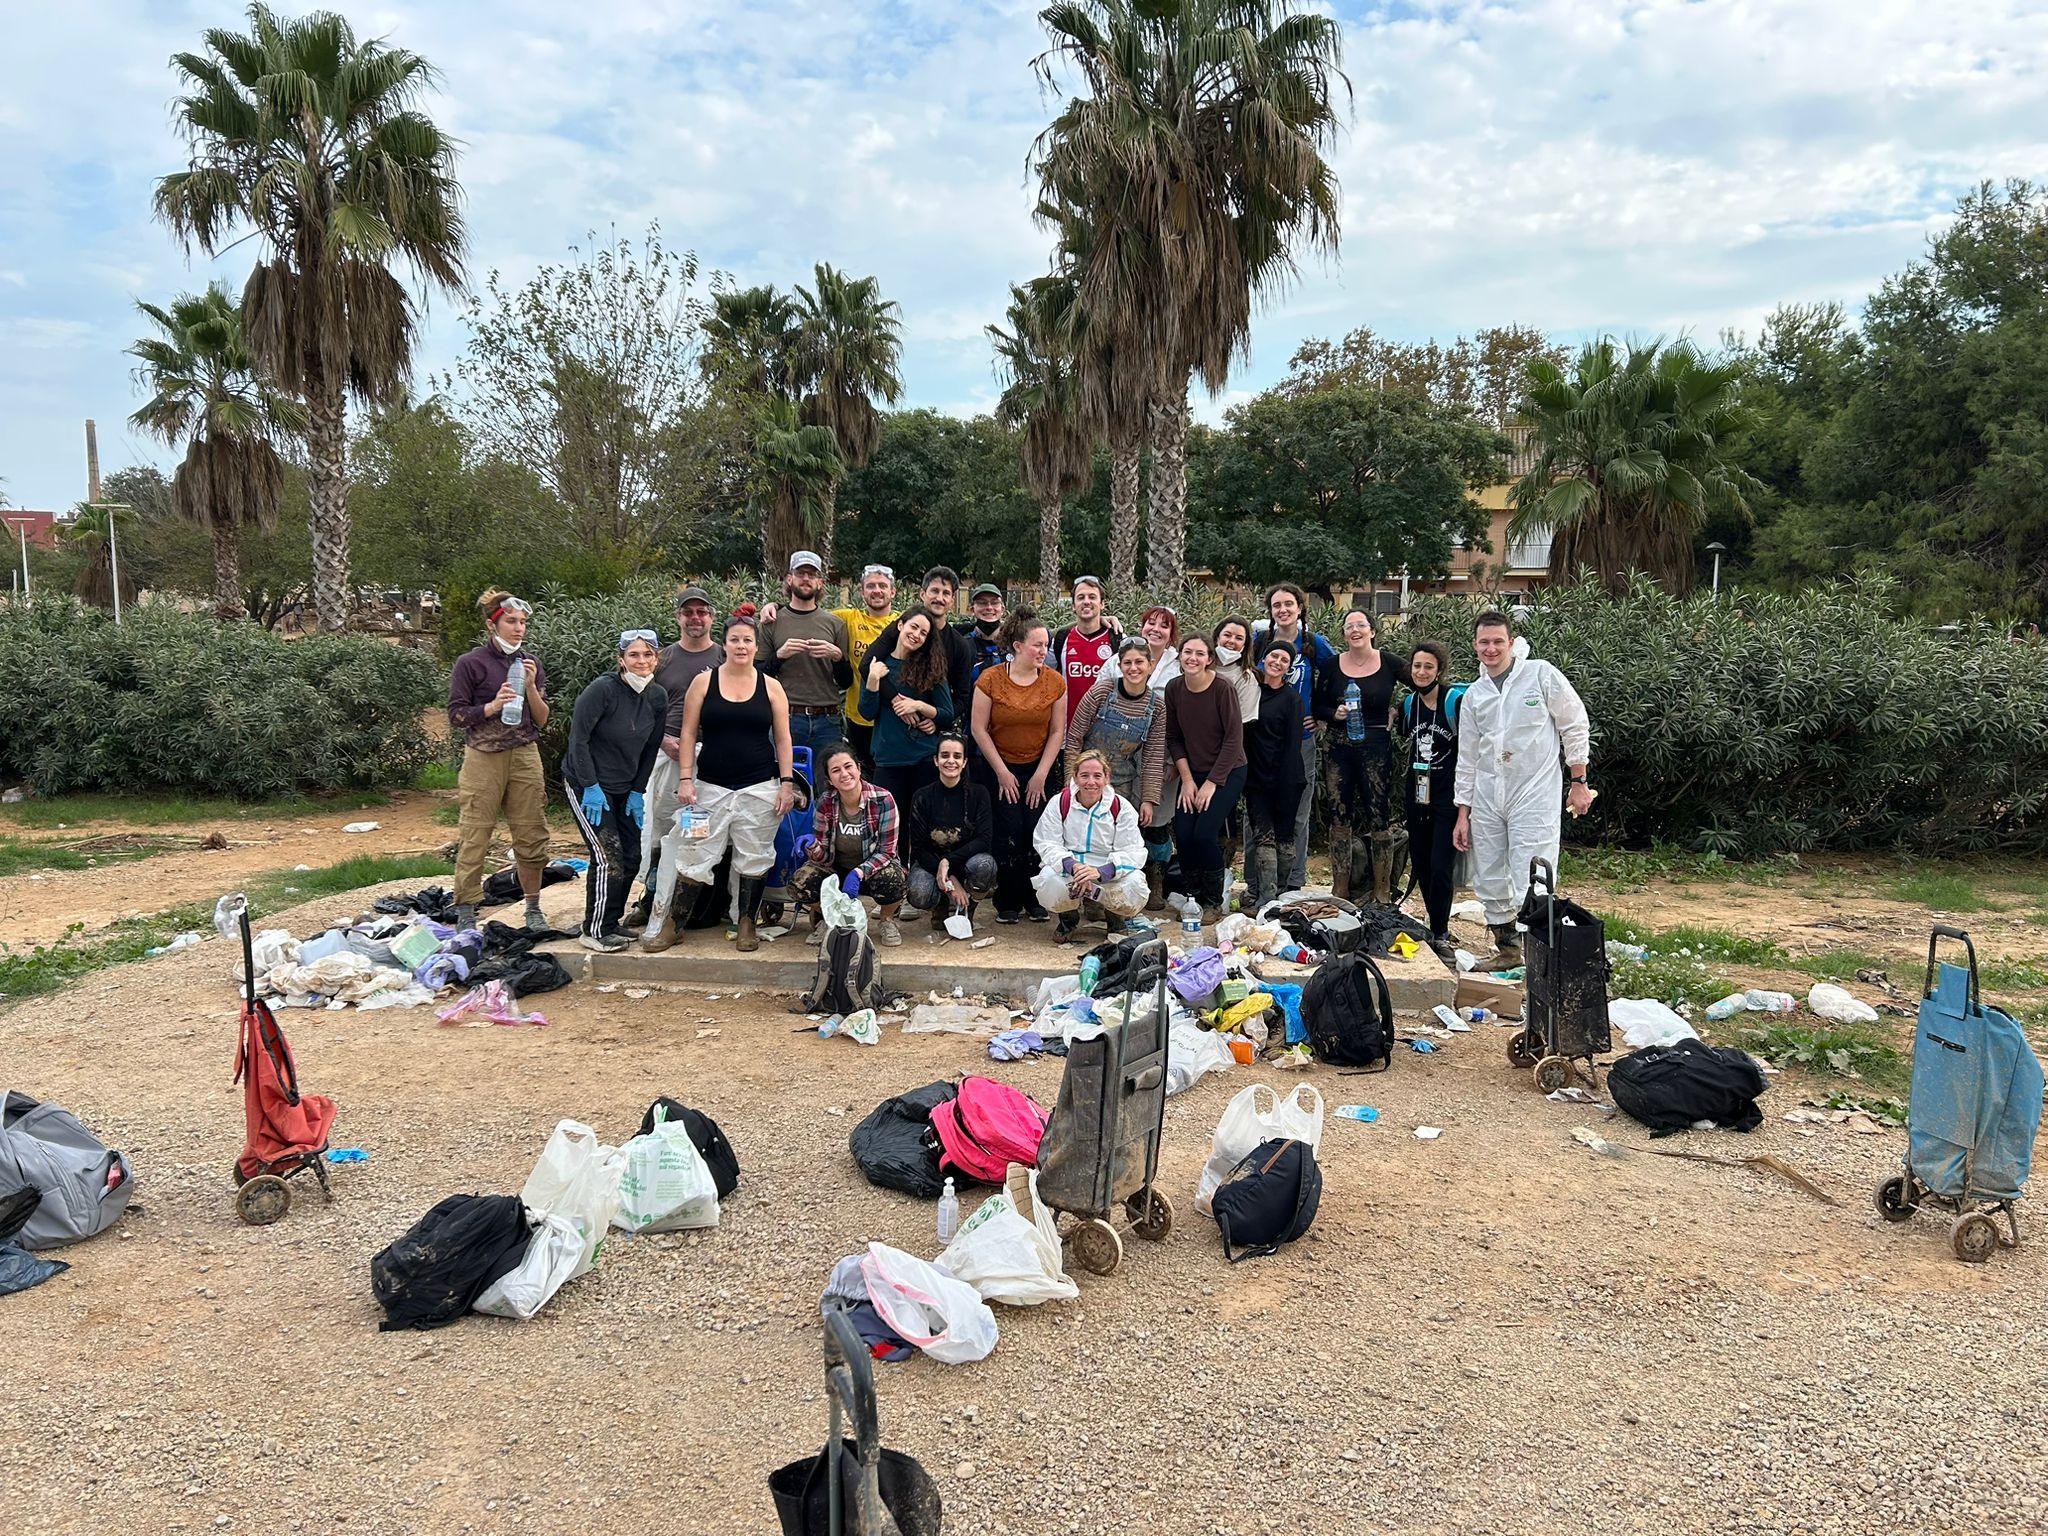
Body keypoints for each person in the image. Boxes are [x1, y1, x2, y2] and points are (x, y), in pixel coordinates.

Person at [646, 616, 796, 955]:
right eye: (734, 640)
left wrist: (786, 784)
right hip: (706, 787)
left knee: (755, 856)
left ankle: (746, 923)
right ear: (724, 644)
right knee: (693, 852)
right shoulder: (703, 682)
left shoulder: (771, 687)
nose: (741, 646)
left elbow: (784, 739)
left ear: (756, 646)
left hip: (759, 786)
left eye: (747, 640)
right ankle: (674, 924)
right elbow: (687, 733)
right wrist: (686, 778)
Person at [1453, 610, 1594, 966]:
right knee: (1489, 870)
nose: (1491, 649)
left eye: (1498, 641)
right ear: (1475, 645)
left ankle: (1540, 955)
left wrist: (1579, 782)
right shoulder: (1474, 695)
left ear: (1511, 643)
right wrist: (1463, 812)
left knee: (1534, 869)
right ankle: (1508, 950)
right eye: (1484, 642)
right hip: (1487, 794)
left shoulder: (1540, 675)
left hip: (1534, 791)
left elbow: (1574, 725)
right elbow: (1467, 756)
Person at [446, 589, 552, 932]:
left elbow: (542, 718)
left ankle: (533, 908)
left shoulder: (530, 661)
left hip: (524, 752)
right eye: (511, 621)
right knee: (476, 832)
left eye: (522, 622)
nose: (518, 628)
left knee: (531, 831)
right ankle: (466, 908)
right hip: (483, 756)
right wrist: (490, 707)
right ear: (494, 624)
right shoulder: (471, 662)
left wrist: (532, 687)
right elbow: (456, 715)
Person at [562, 631, 668, 951]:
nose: (641, 661)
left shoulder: (657, 697)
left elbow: (651, 748)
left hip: (626, 787)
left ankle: (610, 922)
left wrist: (638, 791)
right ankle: (594, 930)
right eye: (634, 655)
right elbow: (578, 739)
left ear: (657, 659)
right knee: (608, 857)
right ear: (620, 659)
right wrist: (590, 787)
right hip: (588, 784)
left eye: (648, 655)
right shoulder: (603, 690)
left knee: (632, 857)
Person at [626, 586, 724, 934]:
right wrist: (662, 738)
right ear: (678, 617)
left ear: (712, 617)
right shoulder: (662, 658)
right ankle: (650, 899)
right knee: (658, 830)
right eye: (688, 612)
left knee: (695, 833)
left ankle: (687, 904)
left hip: (707, 761)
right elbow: (642, 706)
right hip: (667, 756)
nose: (695, 618)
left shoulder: (725, 657)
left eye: (702, 612)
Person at [970, 607, 1068, 923]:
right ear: (1017, 646)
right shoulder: (990, 679)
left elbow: (1057, 731)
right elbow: (978, 729)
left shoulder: (1055, 682)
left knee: (1037, 831)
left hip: (1039, 768)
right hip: (999, 768)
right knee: (1008, 832)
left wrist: (1041, 774)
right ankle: (1008, 899)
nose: (1044, 651)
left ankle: (1036, 897)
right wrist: (1002, 772)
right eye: (1037, 644)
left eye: (1047, 644)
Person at [1312, 608, 1410, 902]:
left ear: (1372, 631)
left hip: (1376, 746)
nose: (1354, 630)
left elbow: (1422, 682)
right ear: (1343, 634)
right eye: (1348, 626)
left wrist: (1400, 709)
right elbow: (1316, 705)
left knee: (1379, 815)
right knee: (1340, 815)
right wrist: (1334, 713)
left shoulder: (1389, 662)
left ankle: (1382, 889)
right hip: (1338, 746)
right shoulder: (1331, 665)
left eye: (1361, 625)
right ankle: (1340, 887)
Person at [1065, 636, 1167, 906]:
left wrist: (1148, 798)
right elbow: (1074, 737)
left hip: (1121, 783)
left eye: (1139, 662)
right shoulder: (1101, 692)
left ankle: (1107, 901)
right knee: (1082, 838)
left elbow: (1154, 756)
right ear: (1119, 665)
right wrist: (1070, 784)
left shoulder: (1156, 707)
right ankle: (1080, 899)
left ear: (1150, 665)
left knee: (1113, 843)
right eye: (1127, 663)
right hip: (1085, 779)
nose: (1133, 668)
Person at [1252, 583, 1337, 891]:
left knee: (1297, 814)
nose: (1283, 610)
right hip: (1260, 740)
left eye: (1289, 604)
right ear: (1271, 610)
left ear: (1300, 608)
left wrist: (1324, 714)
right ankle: (1255, 886)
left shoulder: (1314, 643)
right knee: (1257, 813)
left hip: (1300, 739)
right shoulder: (1260, 641)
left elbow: (1339, 675)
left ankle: (1294, 883)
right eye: (1277, 605)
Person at [788, 745, 909, 947]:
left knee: (895, 880)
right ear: (829, 780)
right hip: (836, 868)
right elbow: (824, 857)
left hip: (872, 869)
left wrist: (859, 872)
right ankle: (831, 918)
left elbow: (886, 852)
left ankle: (886, 920)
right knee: (798, 883)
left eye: (848, 766)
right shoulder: (825, 802)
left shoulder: (883, 799)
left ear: (858, 769)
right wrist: (813, 846)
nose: (844, 774)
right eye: (836, 770)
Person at [1164, 633, 1248, 922]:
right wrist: (1187, 781)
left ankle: (1212, 901)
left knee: (1203, 833)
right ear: (1180, 656)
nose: (1193, 658)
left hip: (1227, 771)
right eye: (1188, 652)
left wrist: (1211, 783)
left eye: (1200, 654)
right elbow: (1173, 738)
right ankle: (1193, 898)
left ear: (1209, 658)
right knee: (1184, 834)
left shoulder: (1222, 688)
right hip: (1193, 772)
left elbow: (1233, 740)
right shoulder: (1174, 689)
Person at [1032, 749, 1149, 940]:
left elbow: (1134, 851)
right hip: (1071, 869)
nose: (1091, 782)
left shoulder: (1121, 807)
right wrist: (1074, 867)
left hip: (1107, 870)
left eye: (1097, 776)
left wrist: (1101, 872)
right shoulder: (1060, 803)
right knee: (1048, 881)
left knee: (1135, 885)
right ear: (1075, 778)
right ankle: (1068, 918)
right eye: (1084, 775)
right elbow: (1046, 842)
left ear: (1107, 778)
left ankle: (1115, 918)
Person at [1401, 640, 1467, 962]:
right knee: (1422, 863)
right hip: (1417, 793)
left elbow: (1471, 748)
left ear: (1439, 670)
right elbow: (1404, 737)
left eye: (1428, 666)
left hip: (1448, 796)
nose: (1422, 672)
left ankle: (1440, 931)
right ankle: (1433, 922)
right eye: (1417, 666)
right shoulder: (1408, 704)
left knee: (1442, 865)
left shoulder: (1455, 701)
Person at [759, 550, 853, 764]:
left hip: (827, 720)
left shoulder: (835, 624)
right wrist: (780, 655)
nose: (806, 579)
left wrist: (837, 657)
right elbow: (757, 676)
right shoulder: (771, 621)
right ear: (790, 579)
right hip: (787, 717)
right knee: (784, 783)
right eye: (801, 573)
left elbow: (846, 681)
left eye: (812, 575)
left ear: (820, 582)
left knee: (829, 785)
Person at [859, 602, 954, 810]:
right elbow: (866, 713)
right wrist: (873, 681)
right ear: (901, 625)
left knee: (922, 826)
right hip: (887, 759)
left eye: (923, 633)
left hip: (924, 758)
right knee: (889, 827)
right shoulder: (879, 666)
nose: (917, 635)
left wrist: (918, 705)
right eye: (914, 627)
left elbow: (947, 714)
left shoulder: (931, 668)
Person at [1242, 636, 1308, 914]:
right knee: (1263, 837)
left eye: (1284, 660)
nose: (1277, 662)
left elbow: (1293, 745)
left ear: (1289, 667)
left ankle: (1277, 898)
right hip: (1255, 778)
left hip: (1286, 778)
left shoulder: (1292, 699)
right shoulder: (1251, 690)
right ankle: (1264, 899)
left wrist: (1285, 784)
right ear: (1264, 659)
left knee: (1283, 837)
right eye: (1274, 657)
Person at [905, 734, 997, 929]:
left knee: (986, 865)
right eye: (945, 755)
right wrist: (950, 879)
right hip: (930, 862)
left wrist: (948, 862)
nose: (951, 761)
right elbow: (919, 849)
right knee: (919, 892)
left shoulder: (979, 794)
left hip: (966, 862)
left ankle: (968, 905)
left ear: (964, 762)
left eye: (957, 756)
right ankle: (940, 903)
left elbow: (984, 840)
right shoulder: (922, 797)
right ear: (936, 760)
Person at [869, 566, 974, 710]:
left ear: (952, 600)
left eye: (946, 593)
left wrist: (935, 719)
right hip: (892, 717)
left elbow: (962, 696)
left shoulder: (959, 645)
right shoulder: (901, 629)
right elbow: (867, 664)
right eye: (935, 591)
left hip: (931, 727)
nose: (939, 598)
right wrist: (895, 698)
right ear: (923, 594)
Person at [836, 564, 900, 768]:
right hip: (859, 718)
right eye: (871, 586)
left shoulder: (904, 622)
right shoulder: (848, 619)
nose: (877, 591)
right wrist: (775, 607)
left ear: (893, 591)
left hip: (894, 718)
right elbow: (810, 614)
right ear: (862, 591)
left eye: (882, 585)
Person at [1051, 576, 1125, 722]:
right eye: (1080, 597)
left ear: (1102, 604)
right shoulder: (1061, 639)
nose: (1086, 601)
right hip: (1069, 731)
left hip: (1105, 731)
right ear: (1073, 605)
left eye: (1092, 597)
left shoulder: (1117, 639)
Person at [1210, 616, 1260, 718]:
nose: (1232, 641)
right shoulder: (1200, 666)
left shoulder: (1246, 678)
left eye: (1239, 638)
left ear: (1244, 645)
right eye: (1227, 635)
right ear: (1217, 637)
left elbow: (1242, 721)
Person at [958, 582, 1007, 682]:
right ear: (972, 609)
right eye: (982, 603)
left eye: (994, 602)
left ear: (1002, 609)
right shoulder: (962, 646)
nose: (989, 607)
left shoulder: (1014, 645)